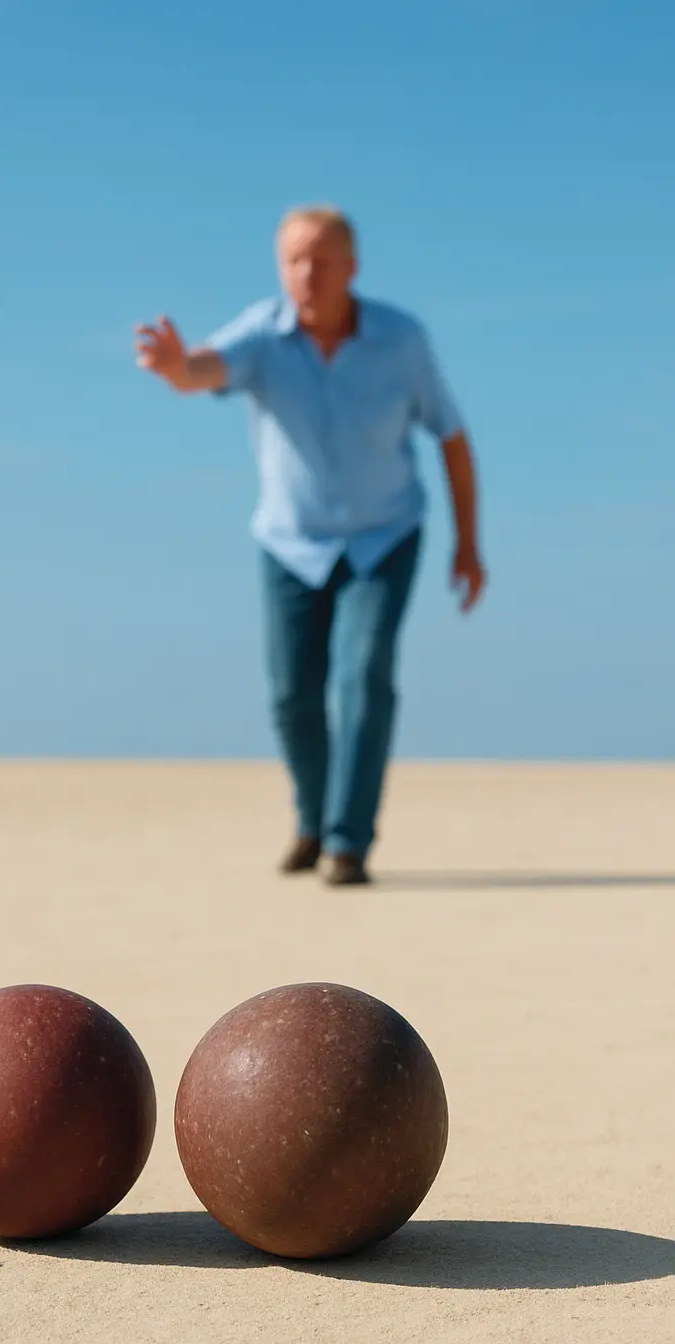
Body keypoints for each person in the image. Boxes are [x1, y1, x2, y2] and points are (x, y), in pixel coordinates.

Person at [135, 205, 486, 886]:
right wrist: (176, 366)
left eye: (321, 261)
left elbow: (451, 434)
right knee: (292, 695)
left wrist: (468, 544)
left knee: (363, 674)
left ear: (351, 268)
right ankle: (312, 820)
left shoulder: (402, 340)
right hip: (290, 543)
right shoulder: (263, 335)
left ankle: (347, 843)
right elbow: (204, 368)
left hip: (384, 537)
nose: (306, 274)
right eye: (294, 260)